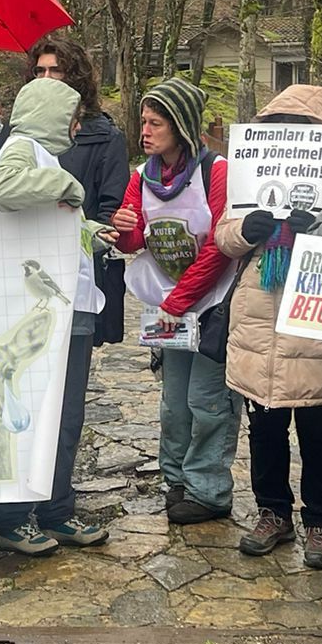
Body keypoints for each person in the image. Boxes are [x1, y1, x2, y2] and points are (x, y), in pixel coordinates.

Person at [215, 85, 322, 568]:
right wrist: (246, 231)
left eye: (301, 129)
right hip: (258, 310)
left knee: (319, 423)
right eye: (281, 127)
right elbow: (225, 234)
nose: (289, 136)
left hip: (316, 303)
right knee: (264, 424)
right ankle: (273, 511)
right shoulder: (250, 178)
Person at [0, 75, 111, 555]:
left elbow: (53, 219)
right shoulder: (21, 147)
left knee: (67, 417)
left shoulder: (46, 155)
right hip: (44, 314)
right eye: (72, 117)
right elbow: (3, 187)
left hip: (70, 306)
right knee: (38, 415)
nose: (77, 127)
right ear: (52, 114)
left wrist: (88, 230)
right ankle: (12, 518)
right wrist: (68, 184)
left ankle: (56, 510)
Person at [109, 77, 239, 526]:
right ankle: (176, 480)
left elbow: (221, 246)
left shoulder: (216, 172)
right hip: (170, 310)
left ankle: (209, 490)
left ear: (180, 125)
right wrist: (123, 227)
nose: (144, 131)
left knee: (208, 401)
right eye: (143, 121)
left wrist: (181, 300)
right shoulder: (141, 176)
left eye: (155, 122)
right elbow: (131, 243)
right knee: (174, 403)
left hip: (211, 305)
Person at [30, 38, 129, 344]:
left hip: (78, 269)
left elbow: (111, 210)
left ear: (74, 77)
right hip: (26, 260)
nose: (45, 78)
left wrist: (86, 234)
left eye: (55, 70)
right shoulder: (20, 132)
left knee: (71, 379)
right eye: (39, 71)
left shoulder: (106, 137)